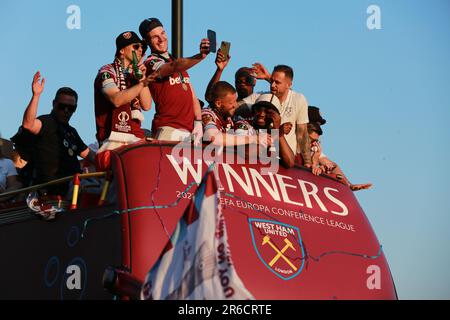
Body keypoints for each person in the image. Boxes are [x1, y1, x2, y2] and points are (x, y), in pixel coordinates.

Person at [20, 71, 95, 196]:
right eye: (62, 106)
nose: (66, 110)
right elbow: (28, 124)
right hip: (53, 190)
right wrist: (36, 95)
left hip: (73, 185)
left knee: (102, 185)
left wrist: (115, 158)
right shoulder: (46, 121)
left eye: (71, 108)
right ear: (54, 104)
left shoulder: (72, 132)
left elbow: (90, 155)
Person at [139, 18, 210, 143]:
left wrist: (198, 122)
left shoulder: (177, 62)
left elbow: (192, 96)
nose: (161, 39)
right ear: (147, 41)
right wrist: (200, 56)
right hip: (168, 129)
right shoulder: (150, 62)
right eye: (155, 37)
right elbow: (173, 67)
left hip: (188, 131)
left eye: (162, 33)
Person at [95, 31, 153, 154]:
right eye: (136, 46)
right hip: (112, 141)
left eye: (142, 47)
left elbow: (147, 105)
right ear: (122, 50)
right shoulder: (107, 71)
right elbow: (116, 100)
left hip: (135, 139)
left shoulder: (135, 74)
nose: (140, 50)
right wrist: (142, 84)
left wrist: (142, 79)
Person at [242, 64, 311, 168]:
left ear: (289, 85)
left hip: (286, 160)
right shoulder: (261, 97)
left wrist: (308, 163)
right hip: (260, 158)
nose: (272, 85)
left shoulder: (298, 99)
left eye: (277, 82)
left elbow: (302, 135)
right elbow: (232, 106)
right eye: (271, 81)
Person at [201, 81, 270, 148]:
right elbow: (214, 138)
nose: (235, 105)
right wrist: (253, 139)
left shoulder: (230, 118)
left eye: (236, 101)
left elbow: (245, 130)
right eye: (231, 103)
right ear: (218, 103)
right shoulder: (207, 114)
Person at [307, 122, 372, 191]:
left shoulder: (314, 147)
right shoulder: (295, 144)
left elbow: (333, 165)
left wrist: (349, 185)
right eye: (312, 140)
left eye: (316, 141)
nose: (314, 143)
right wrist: (315, 162)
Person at [235, 94, 295, 168]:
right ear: (253, 111)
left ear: (276, 117)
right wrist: (276, 134)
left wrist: (278, 133)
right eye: (259, 110)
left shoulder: (275, 131)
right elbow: (245, 153)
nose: (262, 114)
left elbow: (290, 162)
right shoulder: (243, 124)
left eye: (267, 112)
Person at [204, 49, 256, 120]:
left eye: (248, 80)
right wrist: (219, 70)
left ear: (254, 81)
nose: (243, 83)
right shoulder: (226, 105)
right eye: (239, 81)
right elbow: (210, 97)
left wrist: (268, 77)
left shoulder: (260, 98)